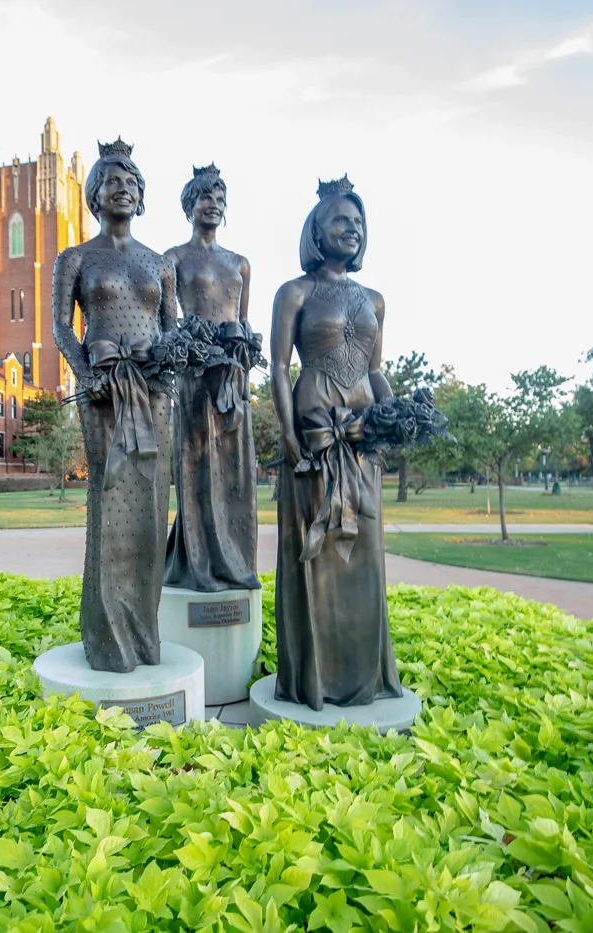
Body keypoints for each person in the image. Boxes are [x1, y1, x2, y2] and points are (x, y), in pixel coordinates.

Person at [268, 176, 404, 709]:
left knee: (362, 558)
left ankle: (363, 675)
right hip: (313, 437)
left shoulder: (375, 300)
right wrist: (286, 434)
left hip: (361, 439)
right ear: (316, 231)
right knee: (316, 555)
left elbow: (375, 372)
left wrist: (397, 417)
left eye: (358, 222)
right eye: (340, 221)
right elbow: (279, 367)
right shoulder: (294, 292)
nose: (352, 229)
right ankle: (315, 680)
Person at [52, 138, 176, 673]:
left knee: (150, 504)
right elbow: (60, 325)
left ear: (142, 195)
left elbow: (174, 330)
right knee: (110, 502)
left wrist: (166, 378)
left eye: (131, 182)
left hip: (152, 394)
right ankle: (107, 639)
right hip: (102, 392)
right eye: (111, 181)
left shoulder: (159, 262)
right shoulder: (75, 258)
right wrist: (86, 373)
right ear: (94, 194)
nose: (121, 189)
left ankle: (145, 633)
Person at [163, 164, 260, 592]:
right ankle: (199, 564)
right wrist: (192, 348)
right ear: (190, 205)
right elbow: (166, 327)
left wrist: (246, 348)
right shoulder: (174, 259)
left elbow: (242, 320)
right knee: (197, 465)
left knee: (236, 468)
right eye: (205, 197)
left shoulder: (240, 263)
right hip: (195, 376)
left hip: (233, 379)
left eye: (219, 199)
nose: (213, 205)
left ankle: (236, 563)